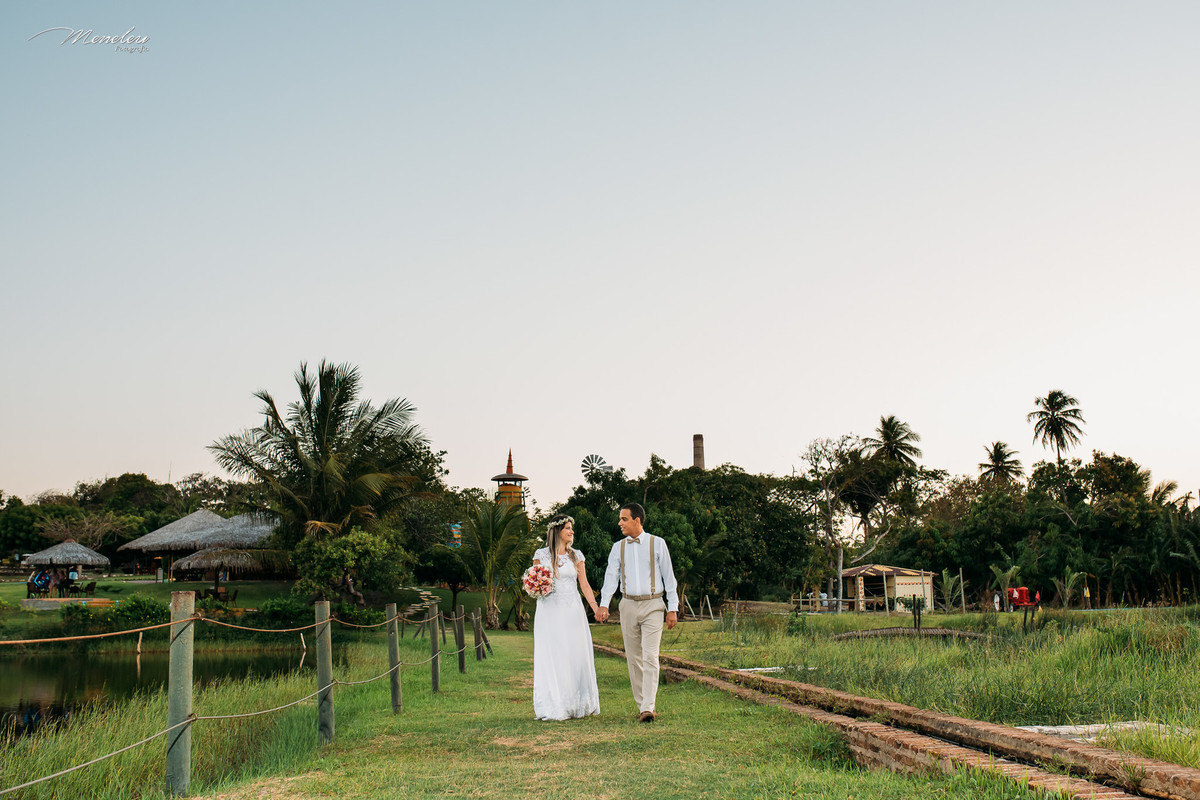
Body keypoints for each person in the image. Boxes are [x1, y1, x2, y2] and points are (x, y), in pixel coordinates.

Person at [597, 502, 678, 723]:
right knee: (634, 658)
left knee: (650, 655)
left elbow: (669, 578)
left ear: (637, 520)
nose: (619, 523)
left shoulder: (657, 543)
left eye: (624, 519)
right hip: (628, 605)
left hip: (653, 605)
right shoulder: (617, 547)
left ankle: (648, 707)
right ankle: (642, 704)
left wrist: (673, 608)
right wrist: (604, 604)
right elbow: (610, 578)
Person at [531, 514, 601, 721]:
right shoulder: (541, 555)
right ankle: (555, 704)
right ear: (557, 530)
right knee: (553, 654)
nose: (572, 531)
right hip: (549, 611)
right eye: (568, 528)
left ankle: (576, 703)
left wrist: (596, 608)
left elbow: (585, 585)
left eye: (572, 528)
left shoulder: (576, 555)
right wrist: (534, 587)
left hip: (572, 611)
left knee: (574, 654)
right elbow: (535, 581)